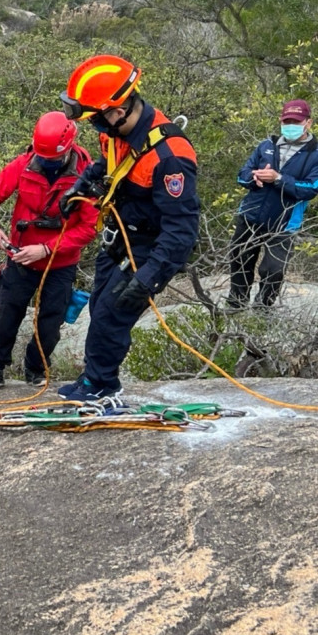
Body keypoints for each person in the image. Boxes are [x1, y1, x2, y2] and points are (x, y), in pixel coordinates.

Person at [57, 54, 200, 402]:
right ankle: (95, 374)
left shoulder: (169, 158)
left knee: (112, 314)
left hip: (149, 248)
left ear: (117, 110)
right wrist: (80, 186)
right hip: (120, 238)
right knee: (98, 307)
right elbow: (105, 165)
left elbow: (181, 229)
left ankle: (102, 384)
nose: (96, 128)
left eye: (96, 119)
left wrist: (150, 277)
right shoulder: (117, 132)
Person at [0, 111, 100, 392]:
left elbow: (88, 228)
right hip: (20, 258)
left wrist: (46, 248)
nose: (45, 162)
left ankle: (35, 367)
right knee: (8, 315)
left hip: (60, 263)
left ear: (68, 149)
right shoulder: (25, 164)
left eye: (52, 158)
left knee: (50, 323)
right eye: (42, 156)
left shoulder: (87, 177)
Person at [226, 99, 318, 308]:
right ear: (280, 121)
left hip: (284, 222)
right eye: (287, 121)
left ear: (308, 122)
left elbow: (312, 188)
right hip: (251, 215)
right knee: (240, 258)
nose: (290, 125)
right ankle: (236, 303)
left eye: (296, 121)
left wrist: (278, 179)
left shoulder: (315, 154)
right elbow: (242, 175)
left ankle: (262, 308)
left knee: (273, 269)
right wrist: (254, 177)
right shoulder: (266, 145)